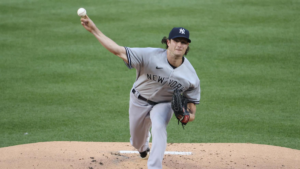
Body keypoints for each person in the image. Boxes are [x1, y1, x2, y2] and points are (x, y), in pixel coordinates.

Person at [80, 15, 200, 169]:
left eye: (183, 42)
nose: (179, 45)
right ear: (168, 42)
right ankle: (142, 146)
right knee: (136, 141)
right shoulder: (149, 56)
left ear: (187, 46)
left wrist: (186, 117)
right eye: (176, 41)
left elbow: (192, 112)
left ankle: (154, 166)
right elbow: (117, 51)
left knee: (159, 126)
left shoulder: (191, 77)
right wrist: (94, 30)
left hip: (164, 104)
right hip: (139, 100)